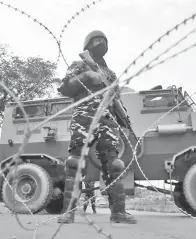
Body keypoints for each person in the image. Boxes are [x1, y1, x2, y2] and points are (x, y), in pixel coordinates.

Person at [57, 30, 137, 224]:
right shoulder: (80, 64)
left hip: (107, 119)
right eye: (97, 40)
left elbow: (116, 98)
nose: (101, 43)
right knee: (75, 162)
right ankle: (68, 212)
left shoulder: (110, 74)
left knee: (114, 164)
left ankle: (118, 212)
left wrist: (122, 119)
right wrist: (87, 76)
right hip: (85, 114)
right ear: (88, 44)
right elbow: (65, 87)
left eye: (104, 40)